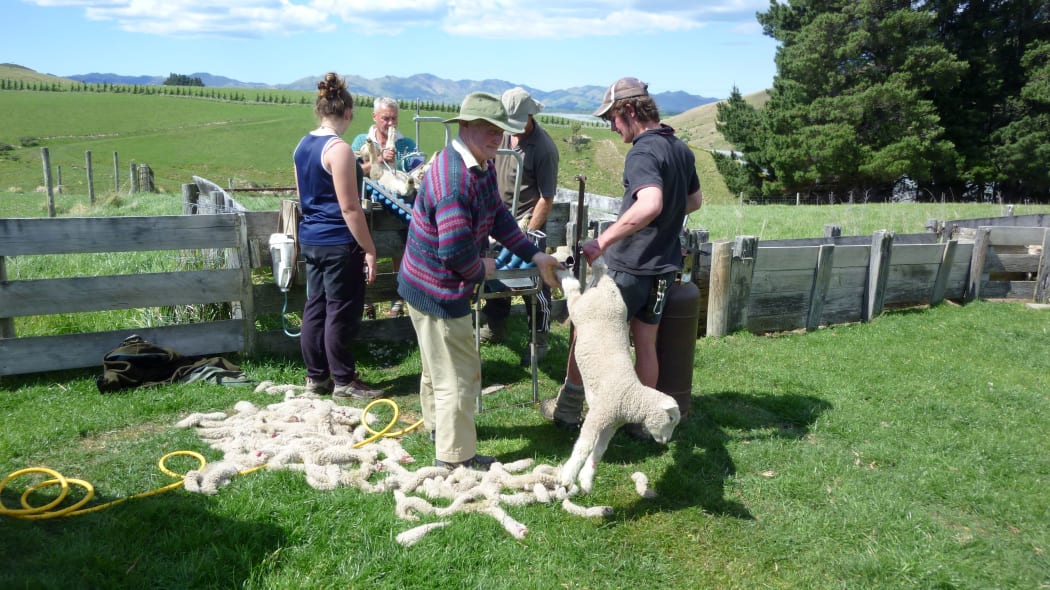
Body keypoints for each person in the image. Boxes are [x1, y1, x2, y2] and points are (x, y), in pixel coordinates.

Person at [397, 92, 563, 470]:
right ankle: (456, 459)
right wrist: (481, 271)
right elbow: (453, 252)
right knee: (458, 374)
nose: (497, 137)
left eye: (501, 130)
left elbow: (500, 218)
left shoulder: (479, 165)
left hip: (424, 283)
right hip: (436, 289)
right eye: (488, 129)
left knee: (436, 366)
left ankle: (439, 430)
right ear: (466, 127)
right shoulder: (455, 179)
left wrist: (535, 255)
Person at [543, 77, 703, 434]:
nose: (612, 127)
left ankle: (567, 410)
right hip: (664, 266)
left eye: (612, 119)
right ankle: (643, 424)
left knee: (584, 331)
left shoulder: (643, 152)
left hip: (629, 266)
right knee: (645, 342)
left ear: (629, 110)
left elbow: (650, 203)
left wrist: (603, 242)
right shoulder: (679, 149)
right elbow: (693, 201)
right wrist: (667, 223)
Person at [293, 72, 383, 400]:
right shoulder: (339, 149)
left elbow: (304, 197)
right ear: (347, 114)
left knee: (314, 307)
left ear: (320, 111)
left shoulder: (302, 146)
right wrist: (369, 249)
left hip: (311, 239)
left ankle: (316, 377)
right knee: (340, 310)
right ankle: (344, 381)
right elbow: (350, 208)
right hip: (337, 242)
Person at [479, 87, 561, 367]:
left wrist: (525, 235)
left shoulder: (544, 148)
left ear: (530, 115)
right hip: (497, 221)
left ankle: (539, 339)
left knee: (535, 284)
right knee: (494, 276)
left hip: (527, 223)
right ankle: (495, 326)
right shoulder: (499, 135)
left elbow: (546, 198)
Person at [351, 97, 421, 319]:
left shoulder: (407, 144)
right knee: (365, 251)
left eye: (394, 118)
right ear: (375, 117)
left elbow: (417, 172)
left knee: (399, 250)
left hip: (398, 207)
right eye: (385, 118)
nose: (390, 123)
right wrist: (379, 159)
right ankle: (366, 299)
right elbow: (353, 171)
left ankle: (396, 301)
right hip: (367, 206)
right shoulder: (361, 141)